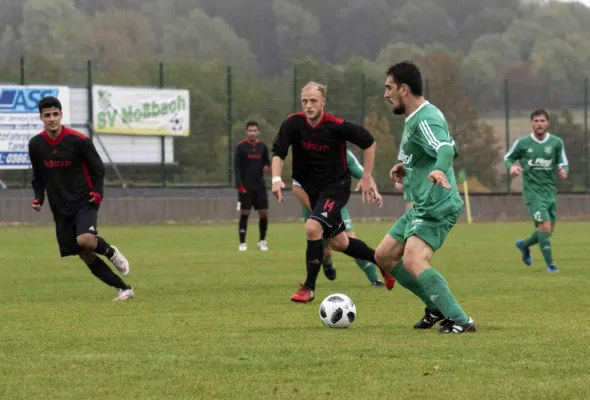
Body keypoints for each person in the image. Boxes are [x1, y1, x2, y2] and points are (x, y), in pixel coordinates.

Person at [374, 61, 476, 334]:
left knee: (413, 259)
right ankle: (434, 306)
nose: (386, 94)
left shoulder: (426, 118)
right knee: (384, 255)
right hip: (422, 204)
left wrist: (439, 171)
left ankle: (461, 320)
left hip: (437, 204)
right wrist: (404, 167)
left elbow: (445, 149)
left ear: (404, 89)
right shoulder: (416, 117)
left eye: (389, 88)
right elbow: (440, 147)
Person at [271, 81, 388, 303]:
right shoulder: (293, 123)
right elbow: (278, 152)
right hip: (313, 191)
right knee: (339, 243)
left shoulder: (336, 126)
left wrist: (366, 177)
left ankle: (309, 288)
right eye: (304, 101)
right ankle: (383, 262)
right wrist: (276, 179)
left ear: (323, 102)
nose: (308, 105)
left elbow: (369, 142)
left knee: (312, 227)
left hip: (336, 188)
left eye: (313, 101)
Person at [28, 96, 133, 301]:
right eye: (47, 115)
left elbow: (98, 169)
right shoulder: (36, 144)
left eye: (55, 114)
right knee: (84, 253)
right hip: (60, 207)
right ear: (41, 117)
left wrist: (97, 192)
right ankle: (124, 289)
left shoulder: (78, 140)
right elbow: (37, 176)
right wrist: (38, 198)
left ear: (61, 115)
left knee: (84, 239)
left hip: (85, 200)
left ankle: (111, 252)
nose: (52, 119)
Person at [291, 148, 395, 289]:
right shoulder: (305, 153)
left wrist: (373, 190)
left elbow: (364, 175)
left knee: (349, 238)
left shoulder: (344, 153)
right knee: (326, 251)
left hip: (335, 205)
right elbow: (297, 188)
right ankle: (327, 264)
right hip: (311, 206)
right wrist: (318, 212)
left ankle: (375, 279)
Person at [504, 109, 568, 273]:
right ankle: (550, 265)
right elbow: (508, 158)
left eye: (542, 121)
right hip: (533, 193)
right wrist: (512, 167)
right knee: (545, 227)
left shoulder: (556, 142)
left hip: (550, 192)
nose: (539, 124)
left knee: (548, 230)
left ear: (548, 123)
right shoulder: (523, 143)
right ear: (532, 123)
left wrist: (563, 169)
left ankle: (524, 245)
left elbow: (563, 161)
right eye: (536, 121)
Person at [234, 121, 271, 251]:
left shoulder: (262, 147)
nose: (252, 133)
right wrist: (239, 185)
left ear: (258, 132)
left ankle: (262, 241)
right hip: (245, 186)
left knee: (263, 213)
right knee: (244, 213)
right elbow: (237, 168)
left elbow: (267, 162)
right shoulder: (240, 147)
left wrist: (267, 167)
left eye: (254, 131)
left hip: (259, 186)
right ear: (246, 132)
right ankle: (242, 243)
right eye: (250, 131)